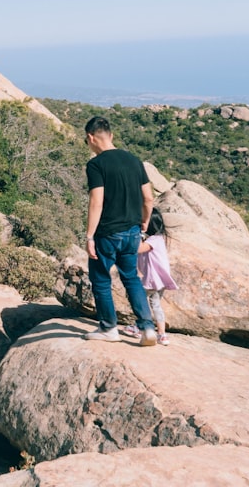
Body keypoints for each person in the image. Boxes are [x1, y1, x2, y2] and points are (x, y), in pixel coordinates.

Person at [83, 116, 158, 346]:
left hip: (108, 233)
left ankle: (108, 328)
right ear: (111, 135)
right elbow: (148, 198)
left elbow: (97, 201)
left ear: (90, 138)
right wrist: (145, 222)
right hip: (132, 232)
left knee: (101, 280)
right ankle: (147, 328)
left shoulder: (96, 164)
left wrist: (89, 236)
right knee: (131, 279)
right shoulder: (134, 161)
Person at [122, 207, 178, 345]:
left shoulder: (153, 240)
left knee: (138, 298)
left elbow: (139, 248)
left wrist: (137, 235)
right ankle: (162, 335)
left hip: (152, 280)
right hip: (160, 280)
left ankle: (139, 327)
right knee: (156, 305)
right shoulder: (158, 239)